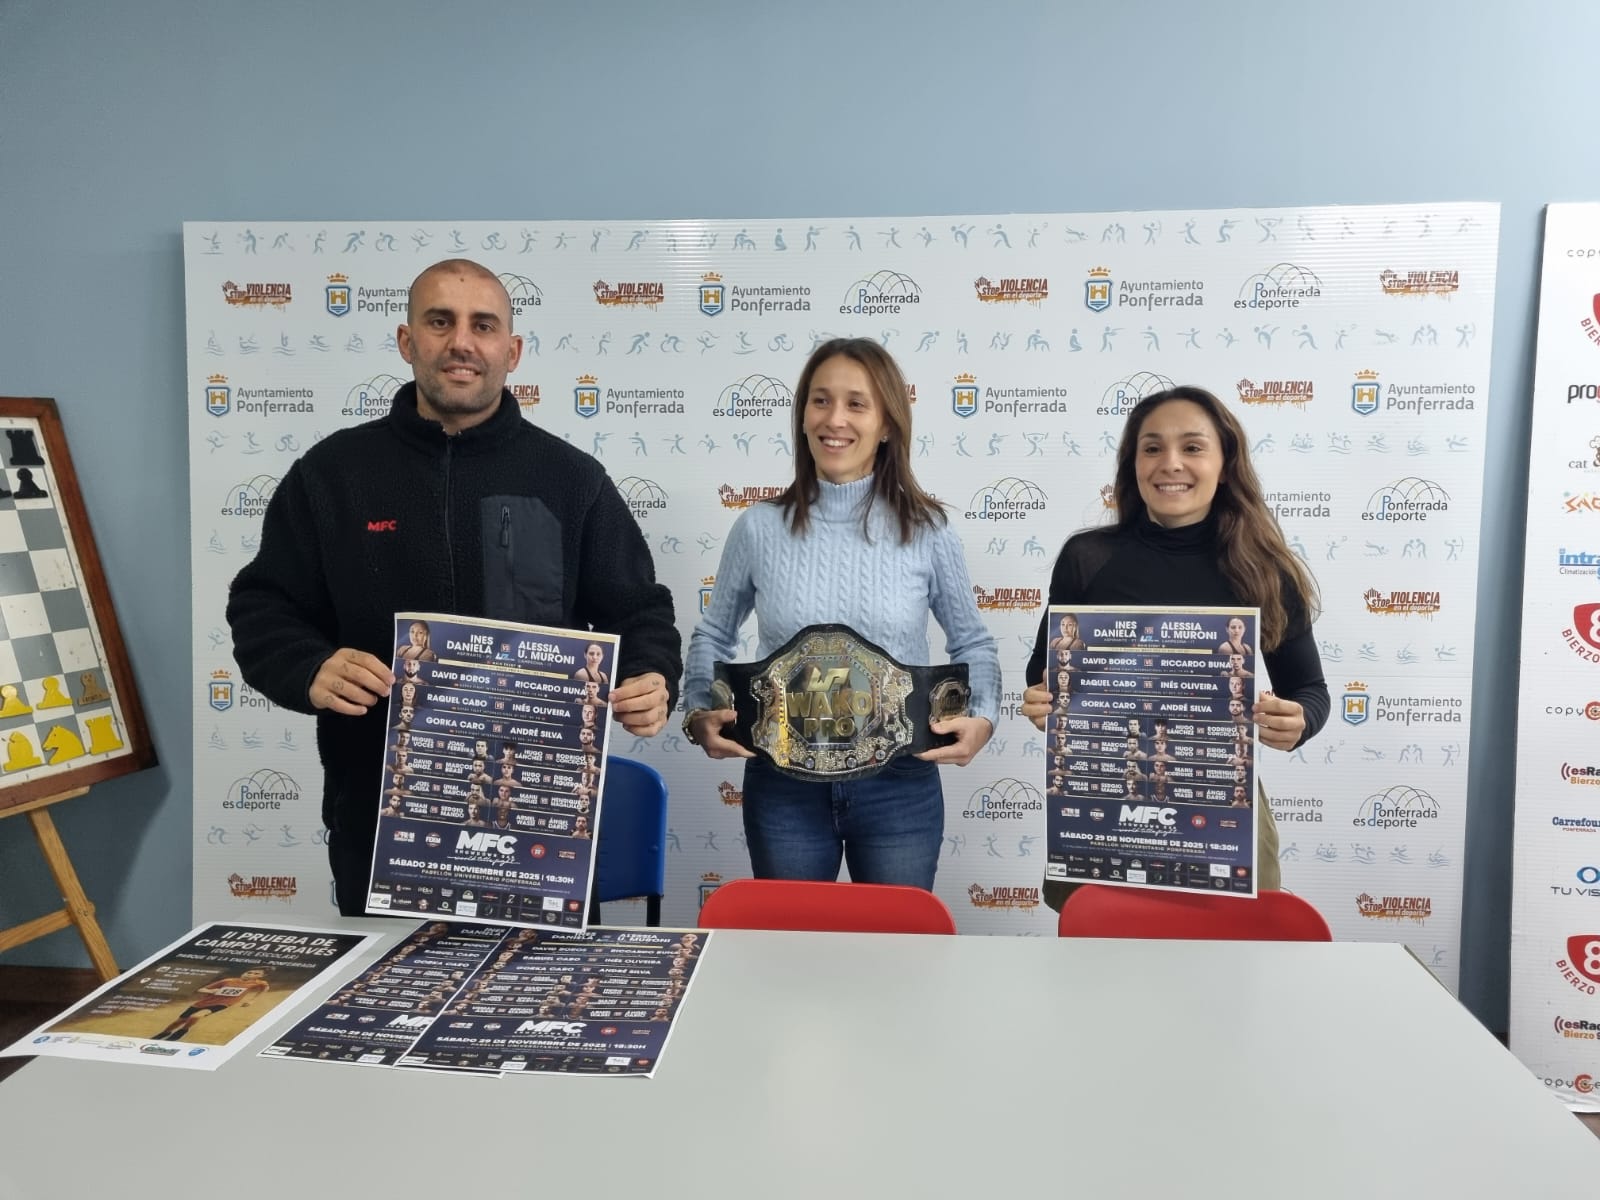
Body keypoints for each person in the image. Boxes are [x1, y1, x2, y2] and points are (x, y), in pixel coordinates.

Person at [226, 258, 682, 914]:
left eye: (483, 325)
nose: (461, 342)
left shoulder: (571, 480)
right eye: (440, 322)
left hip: (540, 825)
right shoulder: (332, 474)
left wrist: (648, 672)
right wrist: (308, 666)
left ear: (512, 350)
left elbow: (639, 609)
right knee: (385, 1004)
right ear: (408, 340)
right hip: (380, 824)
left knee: (535, 1002)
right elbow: (262, 602)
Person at [680, 338, 1000, 890]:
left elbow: (973, 643)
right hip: (782, 783)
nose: (835, 419)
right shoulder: (758, 528)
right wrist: (697, 708)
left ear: (887, 424)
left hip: (901, 778)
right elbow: (713, 633)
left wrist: (985, 717)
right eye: (820, 400)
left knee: (895, 956)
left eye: (857, 403)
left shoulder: (928, 530)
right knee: (794, 960)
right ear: (802, 415)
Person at [1023, 385, 1329, 906]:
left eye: (1192, 447)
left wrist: (1296, 719)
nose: (1171, 464)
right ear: (1133, 464)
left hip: (1221, 807)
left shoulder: (1263, 568)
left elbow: (1309, 690)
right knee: (1099, 975)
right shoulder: (1087, 557)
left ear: (1225, 464)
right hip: (1101, 805)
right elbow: (1045, 672)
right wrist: (1041, 699)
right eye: (1152, 448)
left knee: (1227, 978)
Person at [149, 969, 270, 1041]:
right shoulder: (227, 981)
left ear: (259, 977)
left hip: (223, 1004)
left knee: (195, 1017)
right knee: (179, 1021)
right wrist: (211, 991)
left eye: (255, 973)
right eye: (250, 972)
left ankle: (183, 1031)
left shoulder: (259, 983)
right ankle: (165, 1033)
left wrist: (252, 1000)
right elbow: (202, 989)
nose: (251, 974)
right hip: (203, 1003)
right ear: (244, 972)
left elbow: (265, 988)